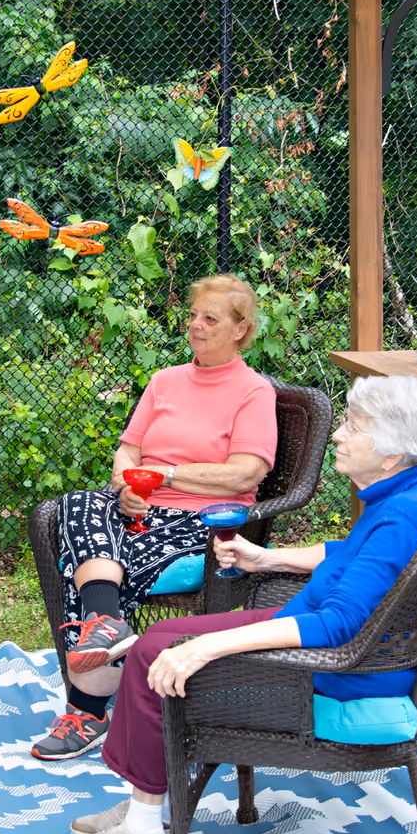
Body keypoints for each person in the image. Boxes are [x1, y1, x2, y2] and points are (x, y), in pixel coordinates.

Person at [56, 375, 417, 834]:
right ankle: (149, 798)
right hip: (347, 643)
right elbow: (353, 559)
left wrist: (206, 649)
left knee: (156, 654)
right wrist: (265, 558)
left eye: (354, 427)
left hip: (337, 669)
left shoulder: (398, 514)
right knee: (161, 638)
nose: (338, 435)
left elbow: (338, 624)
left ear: (392, 452)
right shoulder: (414, 494)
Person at [32, 274, 278, 763]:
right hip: (141, 508)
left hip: (203, 521)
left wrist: (164, 476)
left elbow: (245, 473)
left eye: (210, 318)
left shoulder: (254, 392)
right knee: (78, 504)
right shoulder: (165, 381)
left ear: (240, 329)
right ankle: (105, 622)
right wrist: (126, 487)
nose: (196, 325)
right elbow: (127, 452)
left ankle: (87, 710)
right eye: (193, 315)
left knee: (90, 560)